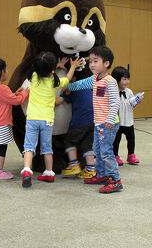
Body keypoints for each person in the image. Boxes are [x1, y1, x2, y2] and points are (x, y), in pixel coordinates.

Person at [21, 51, 83, 188]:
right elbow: (67, 78)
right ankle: (49, 172)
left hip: (32, 118)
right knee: (47, 147)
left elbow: (42, 70)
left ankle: (26, 170)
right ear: (53, 69)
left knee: (29, 146)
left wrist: (56, 67)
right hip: (47, 120)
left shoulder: (34, 77)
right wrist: (72, 67)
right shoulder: (55, 83)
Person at [67, 46, 123, 193]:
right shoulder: (95, 79)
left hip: (108, 124)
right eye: (90, 61)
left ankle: (115, 180)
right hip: (98, 123)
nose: (92, 64)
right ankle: (101, 175)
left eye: (96, 61)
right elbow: (80, 84)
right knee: (97, 151)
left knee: (106, 152)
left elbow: (115, 102)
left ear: (106, 63)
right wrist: (68, 86)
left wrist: (110, 120)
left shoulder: (109, 81)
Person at [0, 58, 29, 180]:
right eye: (6, 69)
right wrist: (25, 93)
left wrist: (14, 93)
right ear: (2, 72)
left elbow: (4, 98)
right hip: (1, 123)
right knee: (2, 147)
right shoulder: (3, 89)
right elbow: (16, 101)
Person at [56, 66, 95, 179]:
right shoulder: (88, 87)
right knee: (87, 145)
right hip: (93, 121)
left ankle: (73, 165)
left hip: (79, 121)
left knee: (69, 141)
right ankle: (90, 170)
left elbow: (58, 102)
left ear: (73, 78)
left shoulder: (71, 89)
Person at [111, 66, 143, 165]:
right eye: (124, 79)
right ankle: (115, 155)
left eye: (128, 79)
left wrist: (136, 102)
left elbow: (131, 105)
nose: (127, 81)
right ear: (117, 79)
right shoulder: (113, 91)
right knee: (116, 140)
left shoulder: (129, 92)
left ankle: (131, 155)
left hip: (128, 121)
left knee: (131, 139)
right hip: (118, 122)